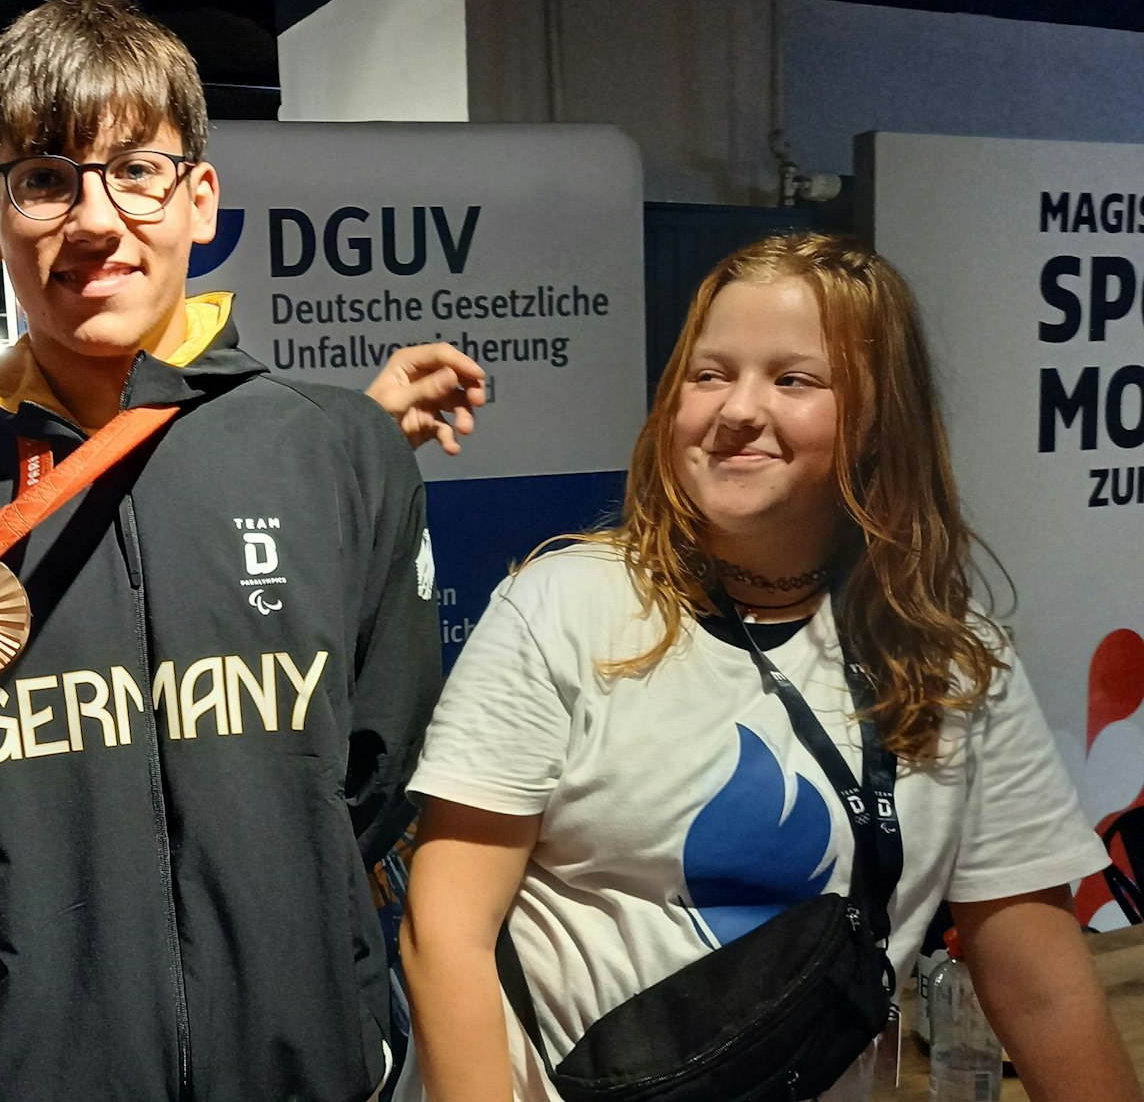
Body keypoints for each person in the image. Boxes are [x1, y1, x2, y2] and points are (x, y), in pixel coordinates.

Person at [0, 0, 442, 1101]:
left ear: (197, 199)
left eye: (137, 169)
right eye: (43, 179)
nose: (94, 219)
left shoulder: (342, 455)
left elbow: (374, 790)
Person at [396, 234, 1142, 1101]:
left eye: (793, 380)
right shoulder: (562, 606)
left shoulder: (951, 657)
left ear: (877, 419)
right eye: (710, 374)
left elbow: (1041, 982)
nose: (736, 410)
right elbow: (444, 929)